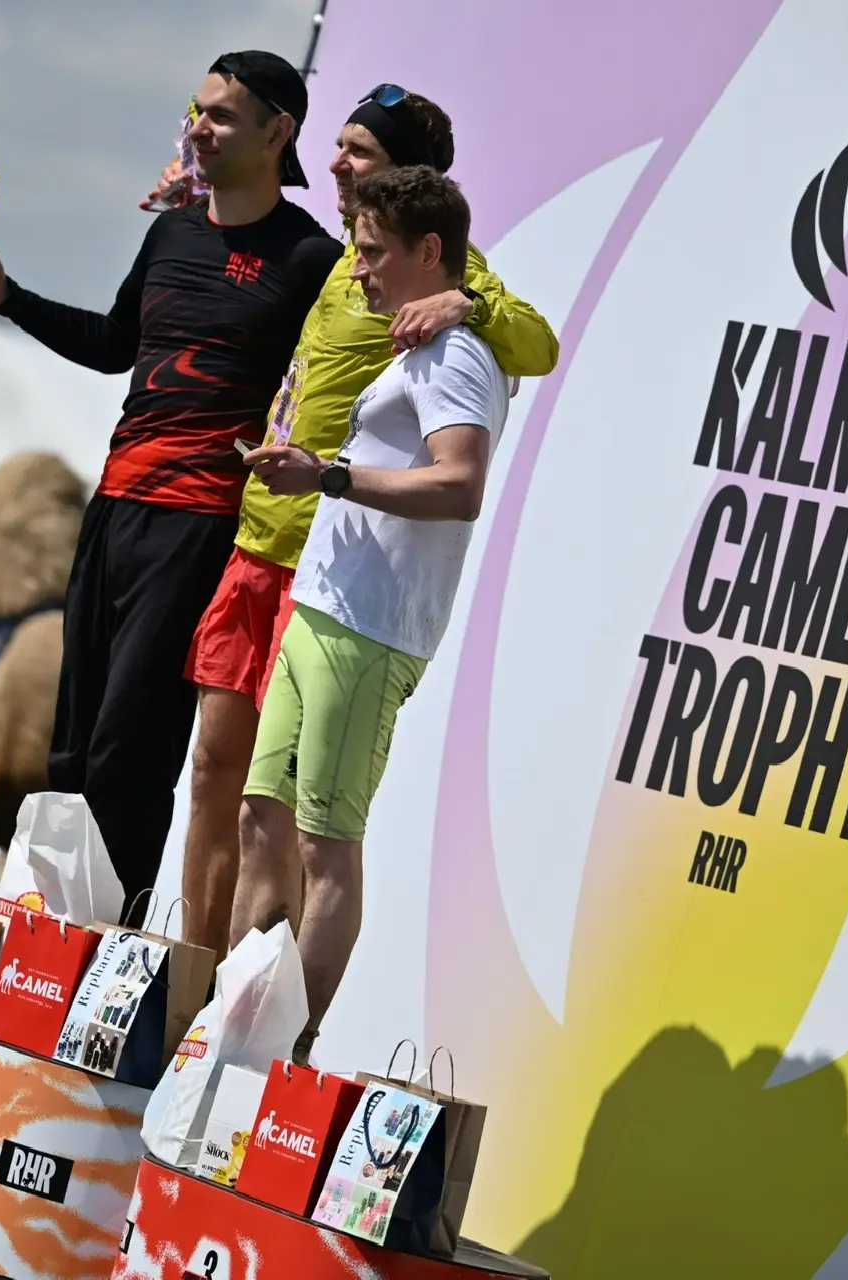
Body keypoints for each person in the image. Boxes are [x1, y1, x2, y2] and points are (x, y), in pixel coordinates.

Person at [0, 51, 343, 913]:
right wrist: (8, 298)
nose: (199, 127)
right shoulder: (173, 232)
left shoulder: (312, 258)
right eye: (198, 109)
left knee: (132, 750)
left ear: (278, 131)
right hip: (114, 506)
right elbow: (116, 344)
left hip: (200, 526)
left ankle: (104, 950)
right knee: (72, 747)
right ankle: (44, 931)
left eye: (222, 115)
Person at [164, 85, 560, 960]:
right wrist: (203, 209)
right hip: (280, 556)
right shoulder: (352, 257)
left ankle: (288, 1026)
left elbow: (536, 349)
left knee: (318, 833)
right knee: (231, 787)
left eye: (359, 152)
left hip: (350, 592)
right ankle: (206, 995)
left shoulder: (447, 296)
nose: (335, 164)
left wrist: (468, 305)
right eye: (338, 147)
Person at [228, 166, 512, 1064]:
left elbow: (460, 485)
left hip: (372, 630)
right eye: (356, 251)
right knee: (261, 820)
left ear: (430, 252)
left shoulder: (458, 357)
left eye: (375, 253)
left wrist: (331, 475)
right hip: (323, 607)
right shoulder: (416, 348)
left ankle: (284, 1059)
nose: (358, 270)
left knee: (324, 846)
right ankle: (231, 1037)